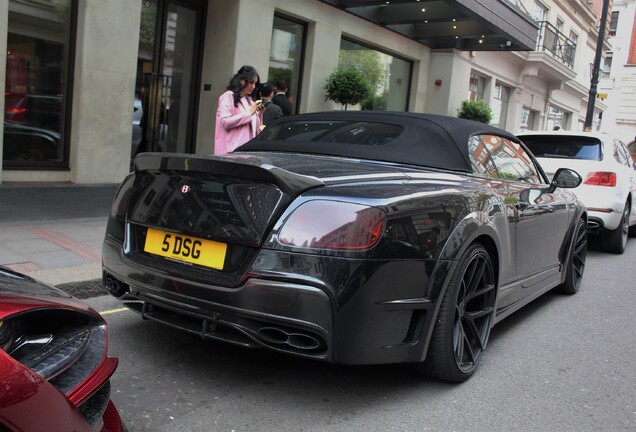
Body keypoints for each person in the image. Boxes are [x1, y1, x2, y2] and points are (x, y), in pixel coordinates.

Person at [214, 65, 265, 154]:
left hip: (246, 153)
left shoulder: (249, 101)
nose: (253, 86)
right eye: (251, 82)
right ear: (241, 80)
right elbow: (225, 122)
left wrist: (260, 115)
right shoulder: (228, 96)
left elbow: (256, 131)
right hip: (231, 153)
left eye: (255, 83)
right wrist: (249, 114)